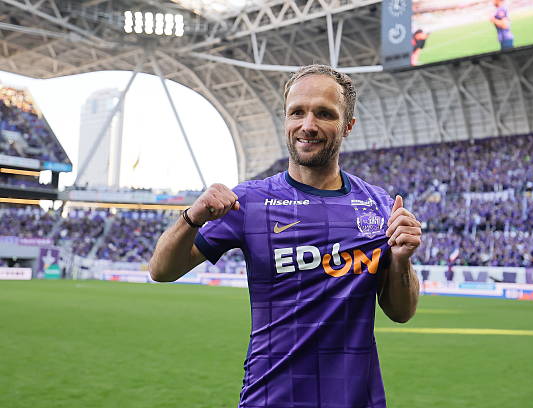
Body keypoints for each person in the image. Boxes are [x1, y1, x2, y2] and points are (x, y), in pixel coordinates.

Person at [149, 64, 422, 408]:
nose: (308, 125)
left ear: (348, 126)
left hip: (355, 398)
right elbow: (162, 270)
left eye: (324, 113)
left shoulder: (378, 205)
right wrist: (191, 218)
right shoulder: (249, 201)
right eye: (297, 112)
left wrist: (401, 259)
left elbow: (401, 312)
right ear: (286, 120)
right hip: (272, 397)